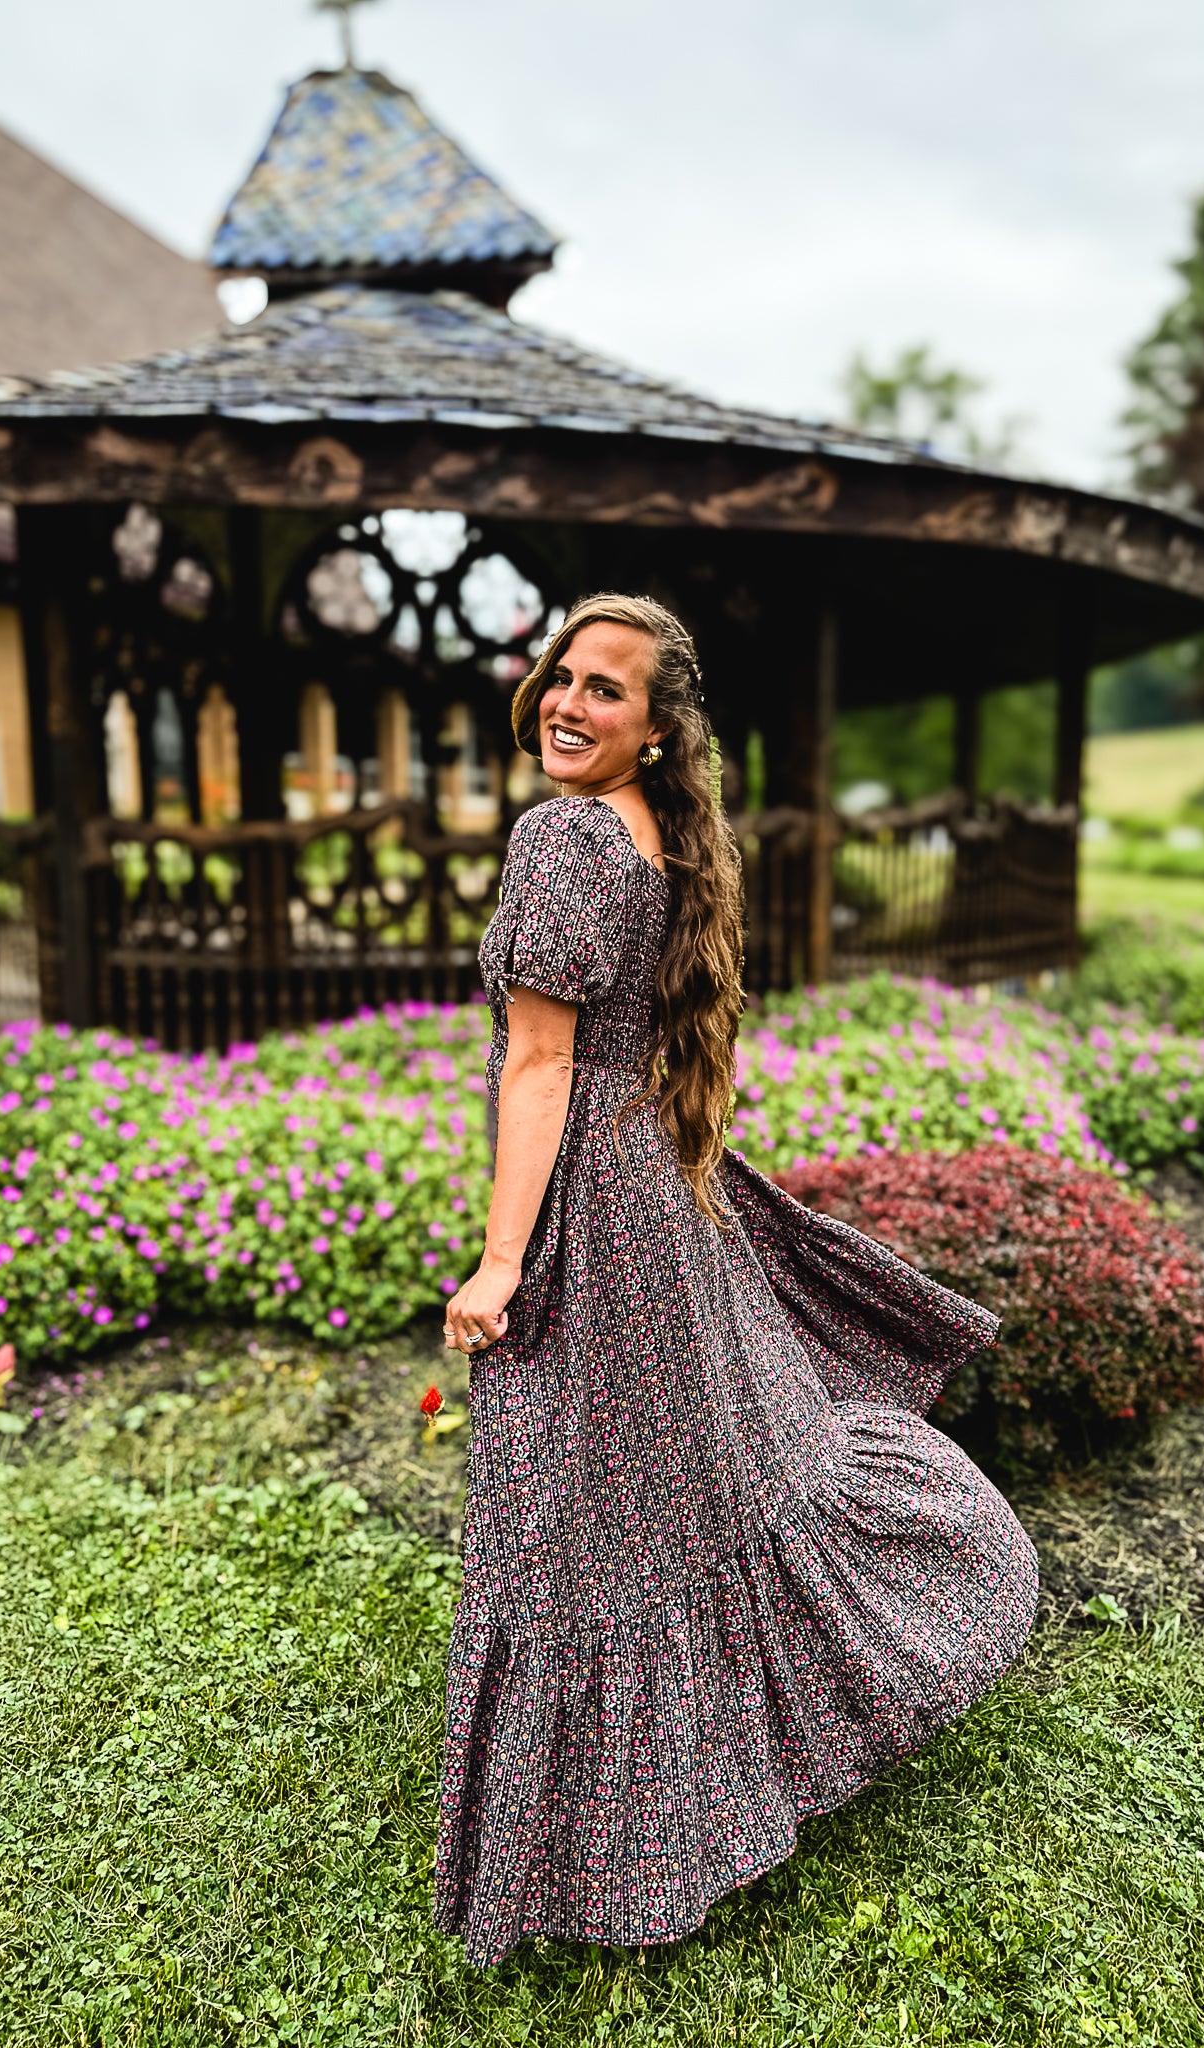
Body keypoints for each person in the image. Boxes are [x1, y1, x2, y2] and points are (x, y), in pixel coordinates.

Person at [433, 594, 1037, 1966]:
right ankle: (691, 1790)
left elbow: (538, 1065)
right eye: (560, 679)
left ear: (653, 731)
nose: (568, 707)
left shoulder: (563, 835)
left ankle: (609, 1841)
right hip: (655, 1189)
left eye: (605, 692)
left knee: (572, 1525)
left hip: (594, 1211)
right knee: (676, 1499)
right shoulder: (657, 836)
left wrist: (501, 1262)